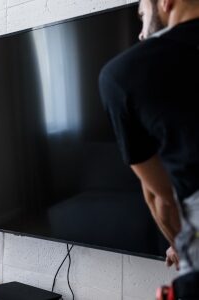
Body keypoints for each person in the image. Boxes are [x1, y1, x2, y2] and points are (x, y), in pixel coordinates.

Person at [99, 0, 199, 297]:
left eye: (143, 16)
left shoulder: (125, 73)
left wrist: (181, 245)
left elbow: (161, 198)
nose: (142, 35)